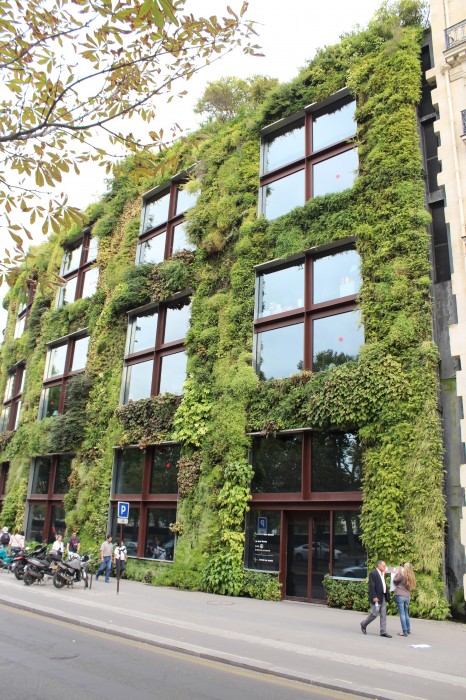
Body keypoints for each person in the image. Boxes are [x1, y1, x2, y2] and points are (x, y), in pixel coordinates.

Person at [360, 560, 392, 638]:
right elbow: (371, 586)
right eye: (384, 566)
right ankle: (364, 624)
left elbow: (383, 584)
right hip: (377, 597)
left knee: (383, 614)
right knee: (374, 614)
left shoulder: (383, 574)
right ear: (379, 566)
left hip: (383, 596)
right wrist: (374, 596)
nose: (385, 567)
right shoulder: (373, 573)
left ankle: (383, 631)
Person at [393, 562, 416, 637]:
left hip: (400, 595)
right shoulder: (412, 577)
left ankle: (404, 631)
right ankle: (408, 629)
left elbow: (395, 580)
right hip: (407, 596)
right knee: (406, 613)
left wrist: (397, 573)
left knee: (402, 614)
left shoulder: (402, 575)